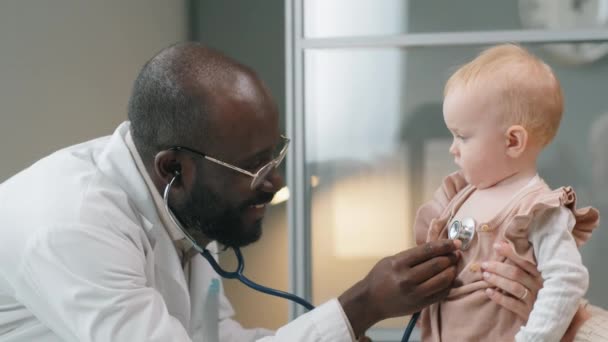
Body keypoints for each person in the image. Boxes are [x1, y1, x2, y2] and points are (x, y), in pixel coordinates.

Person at [0, 42, 462, 341]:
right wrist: (362, 305)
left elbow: (218, 337)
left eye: (274, 156)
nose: (275, 182)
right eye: (251, 167)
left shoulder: (185, 203)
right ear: (174, 169)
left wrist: (344, 327)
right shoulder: (71, 227)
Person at [414, 44, 600, 341]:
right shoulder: (461, 194)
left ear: (513, 141)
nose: (453, 149)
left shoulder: (539, 209)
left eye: (462, 136)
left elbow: (567, 279)